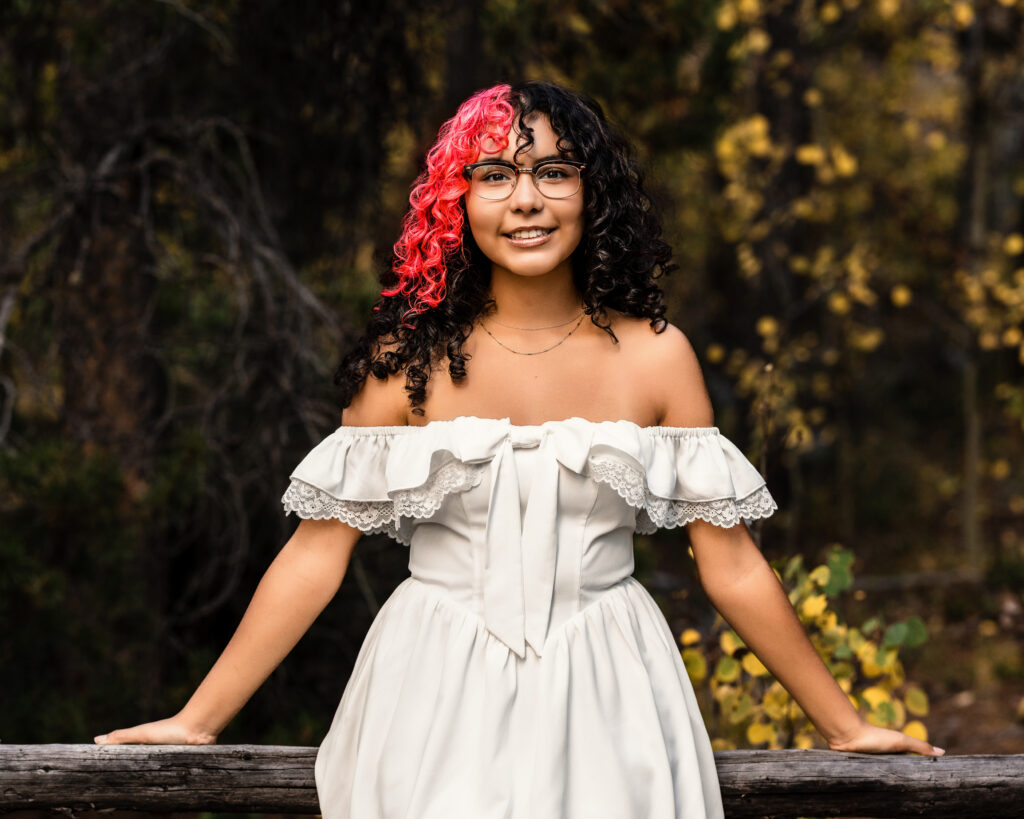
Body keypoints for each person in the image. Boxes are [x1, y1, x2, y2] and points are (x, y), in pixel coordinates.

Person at [95, 81, 943, 817]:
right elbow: (315, 558)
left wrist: (844, 723)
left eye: (553, 171)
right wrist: (198, 718)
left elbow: (733, 565)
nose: (526, 198)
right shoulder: (406, 364)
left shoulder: (656, 355)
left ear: (592, 193)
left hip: (610, 687)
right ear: (455, 202)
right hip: (431, 688)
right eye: (494, 175)